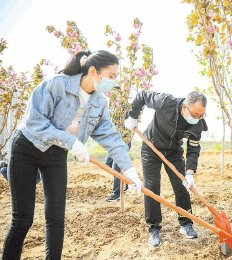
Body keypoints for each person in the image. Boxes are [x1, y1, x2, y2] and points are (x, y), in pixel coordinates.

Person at [1, 50, 143, 260]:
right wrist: (72, 142)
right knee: (23, 219)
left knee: (56, 218)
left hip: (56, 157)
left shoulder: (99, 103)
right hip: (27, 150)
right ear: (94, 71)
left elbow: (112, 138)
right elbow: (35, 122)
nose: (114, 82)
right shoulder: (56, 84)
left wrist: (130, 170)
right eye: (111, 76)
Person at [124, 90, 208, 247]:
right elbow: (142, 95)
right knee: (152, 187)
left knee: (182, 186)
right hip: (151, 148)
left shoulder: (198, 125)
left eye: (201, 115)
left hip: (174, 152)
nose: (197, 118)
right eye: (195, 114)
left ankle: (186, 223)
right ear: (184, 107)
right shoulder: (166, 102)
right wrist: (133, 116)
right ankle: (154, 227)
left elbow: (193, 149)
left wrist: (189, 172)